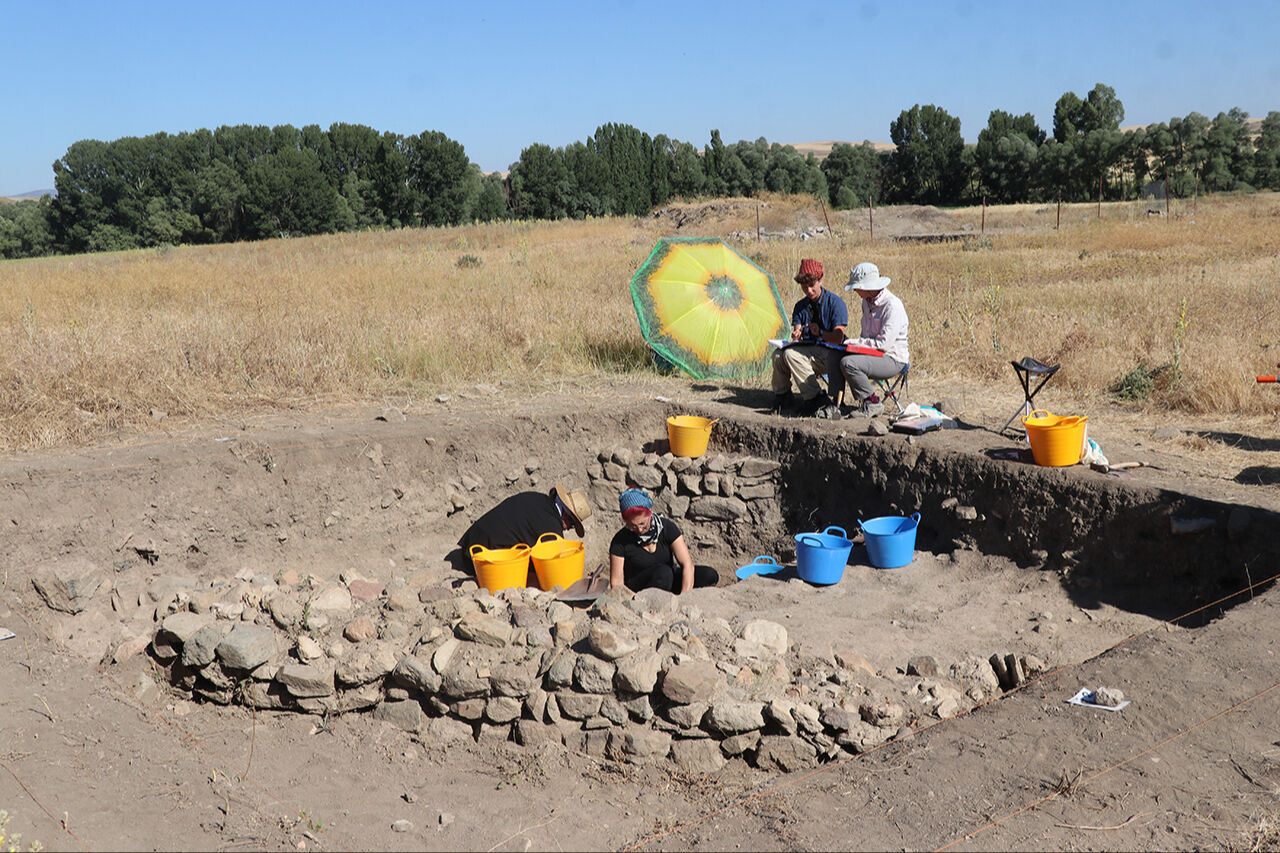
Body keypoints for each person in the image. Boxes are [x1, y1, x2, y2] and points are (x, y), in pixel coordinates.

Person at [819, 261, 909, 419]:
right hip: (873, 354)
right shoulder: (866, 303)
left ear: (867, 287)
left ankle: (872, 402)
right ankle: (837, 403)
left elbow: (883, 345)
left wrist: (855, 343)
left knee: (849, 363)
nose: (855, 291)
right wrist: (853, 346)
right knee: (834, 355)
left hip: (892, 358)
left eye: (856, 287)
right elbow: (867, 337)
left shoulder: (892, 306)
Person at [770, 258, 848, 417]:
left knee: (790, 354)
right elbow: (797, 331)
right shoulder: (800, 306)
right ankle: (783, 396)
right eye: (804, 287)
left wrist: (821, 333)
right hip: (808, 351)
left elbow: (838, 338)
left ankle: (816, 398)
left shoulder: (835, 303)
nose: (809, 291)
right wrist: (796, 334)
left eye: (812, 286)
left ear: (820, 281)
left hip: (831, 352)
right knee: (778, 355)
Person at [608, 488, 719, 594]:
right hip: (641, 588)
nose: (639, 530)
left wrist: (684, 597)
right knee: (664, 573)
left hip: (668, 580)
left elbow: (687, 565)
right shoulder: (620, 541)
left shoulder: (666, 528)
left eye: (642, 524)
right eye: (632, 526)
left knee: (708, 575)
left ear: (650, 513)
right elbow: (616, 583)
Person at [457, 481, 591, 553]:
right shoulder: (551, 526)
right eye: (572, 525)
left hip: (471, 541)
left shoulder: (539, 499)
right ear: (567, 516)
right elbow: (552, 562)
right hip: (481, 558)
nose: (567, 529)